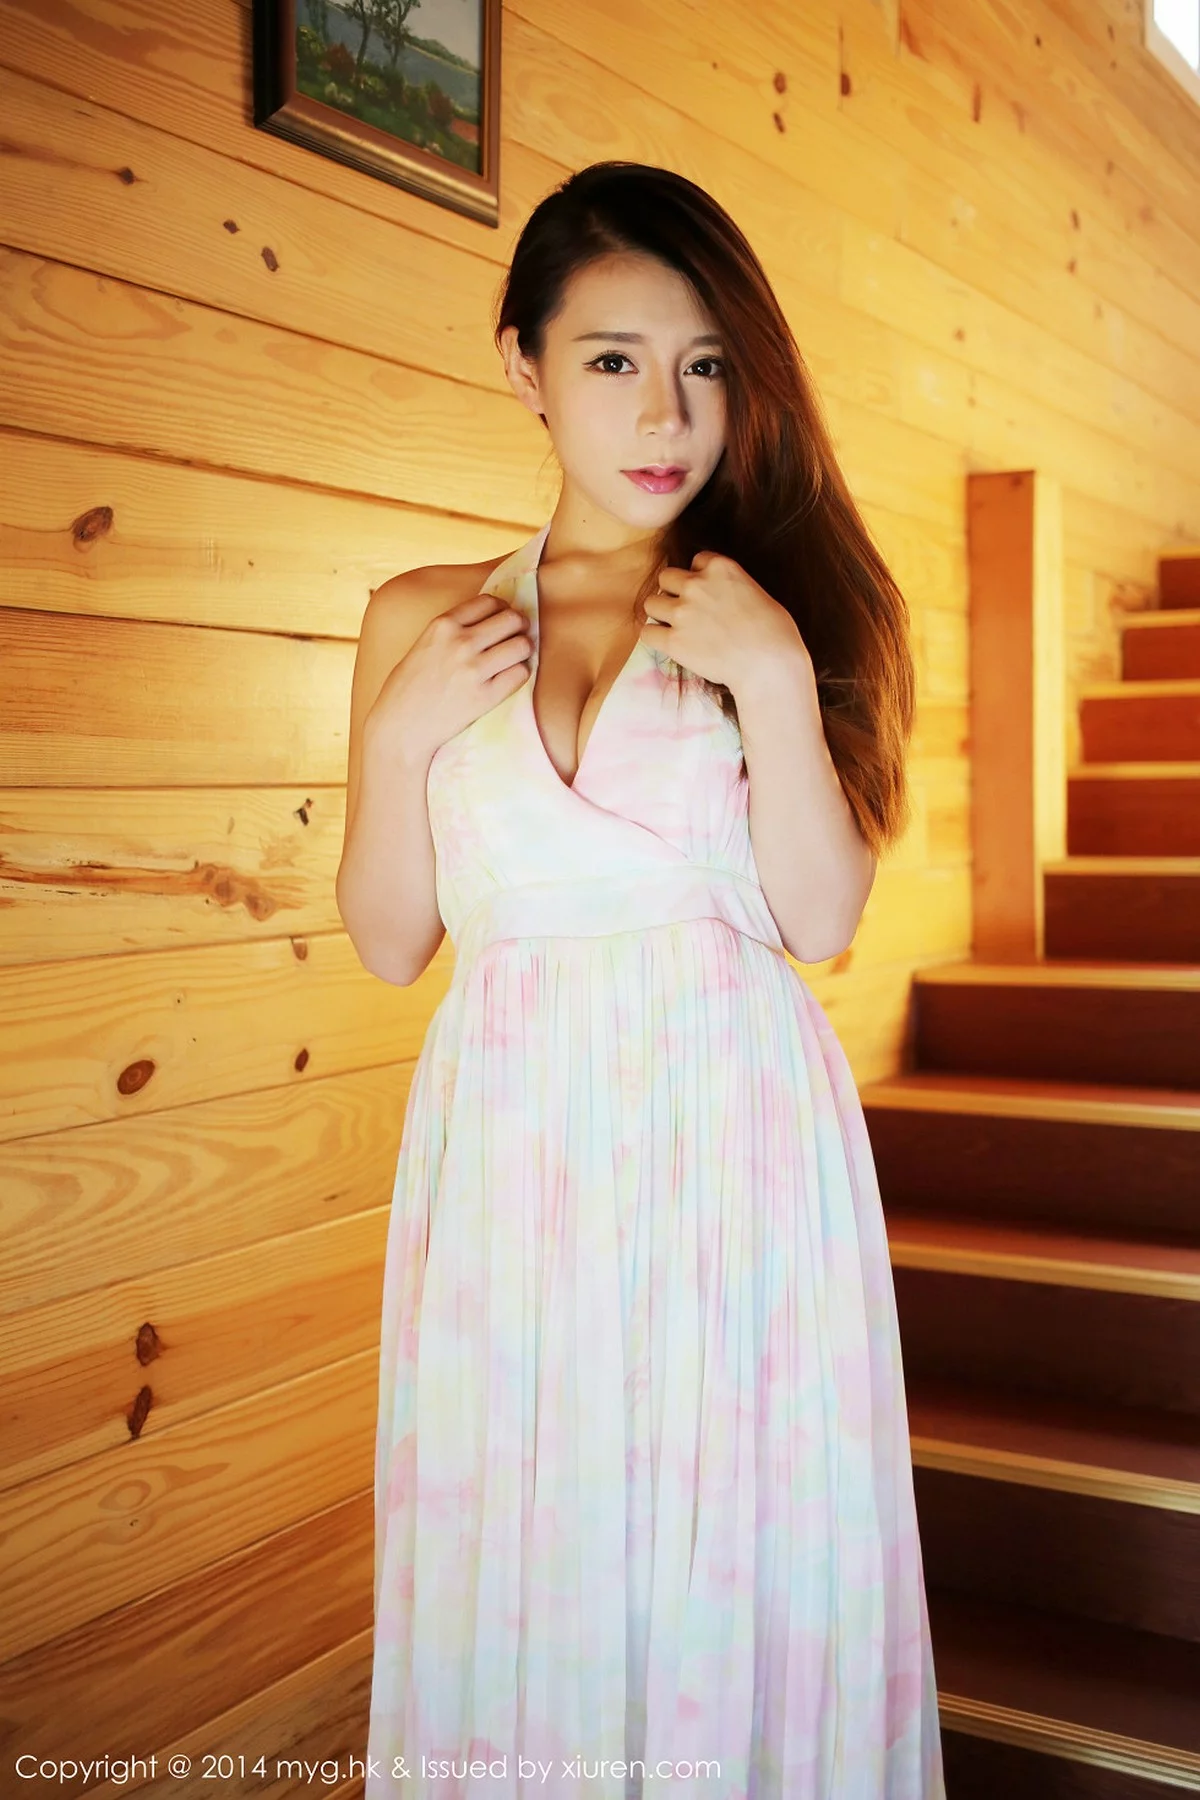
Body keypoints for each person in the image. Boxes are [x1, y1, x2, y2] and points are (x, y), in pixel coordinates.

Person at [337, 161, 946, 1800]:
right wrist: (399, 737)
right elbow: (392, 942)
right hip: (512, 1161)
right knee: (527, 1550)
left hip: (734, 1159)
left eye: (705, 365)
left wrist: (771, 676)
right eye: (613, 358)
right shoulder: (418, 621)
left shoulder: (773, 609)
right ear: (523, 365)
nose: (665, 413)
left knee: (726, 1562)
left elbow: (821, 918)